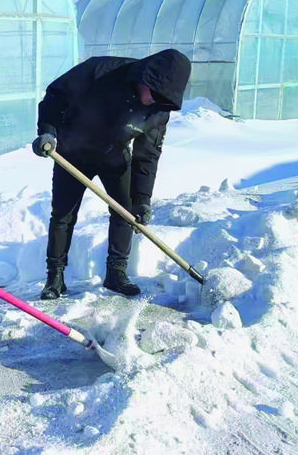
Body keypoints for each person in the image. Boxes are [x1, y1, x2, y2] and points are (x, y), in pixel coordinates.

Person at [31, 49, 191, 300]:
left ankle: (116, 272)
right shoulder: (101, 71)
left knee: (125, 212)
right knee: (63, 214)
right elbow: (56, 95)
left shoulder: (159, 109)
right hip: (73, 151)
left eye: (162, 99)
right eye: (154, 94)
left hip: (113, 154)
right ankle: (55, 277)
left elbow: (146, 157)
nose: (153, 102)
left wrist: (142, 201)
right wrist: (48, 131)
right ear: (146, 79)